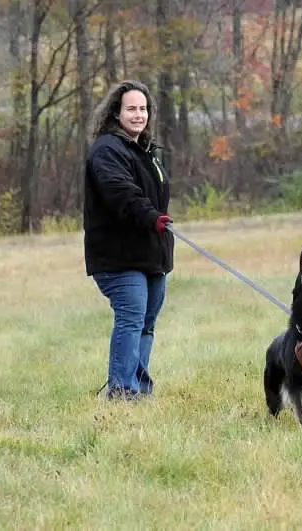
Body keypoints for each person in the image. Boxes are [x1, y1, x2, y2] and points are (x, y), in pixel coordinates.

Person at [83, 80, 174, 401]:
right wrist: (150, 216)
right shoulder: (107, 150)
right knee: (132, 318)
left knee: (146, 323)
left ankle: (139, 388)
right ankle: (121, 391)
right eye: (131, 109)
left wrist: (157, 222)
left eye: (143, 109)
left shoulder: (147, 151)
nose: (138, 115)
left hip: (151, 254)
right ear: (116, 113)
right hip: (118, 256)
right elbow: (121, 191)